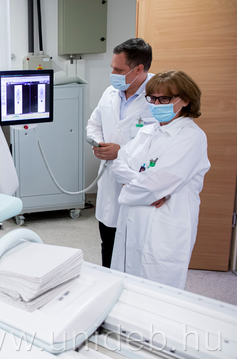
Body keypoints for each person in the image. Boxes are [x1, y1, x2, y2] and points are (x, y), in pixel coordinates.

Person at [110, 70, 210, 289]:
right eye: (152, 98)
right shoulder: (147, 131)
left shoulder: (191, 137)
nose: (156, 104)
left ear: (185, 100)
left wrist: (137, 186)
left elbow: (156, 184)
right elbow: (118, 164)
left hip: (164, 225)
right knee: (126, 284)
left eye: (164, 98)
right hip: (133, 219)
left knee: (158, 289)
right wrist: (144, 186)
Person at [86, 38, 156, 268]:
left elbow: (161, 143)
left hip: (139, 181)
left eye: (119, 70)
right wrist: (100, 143)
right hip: (110, 178)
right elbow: (94, 123)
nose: (113, 74)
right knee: (108, 240)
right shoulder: (110, 92)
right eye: (112, 68)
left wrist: (121, 151)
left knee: (136, 248)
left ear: (138, 69)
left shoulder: (159, 98)